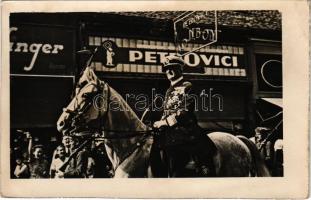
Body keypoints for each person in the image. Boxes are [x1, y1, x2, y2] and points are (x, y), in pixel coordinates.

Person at [152, 55, 217, 177]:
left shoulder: (187, 86)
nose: (168, 71)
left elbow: (185, 112)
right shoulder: (169, 90)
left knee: (199, 155)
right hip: (169, 130)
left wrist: (165, 122)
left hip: (185, 129)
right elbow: (167, 111)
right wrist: (159, 122)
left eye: (172, 68)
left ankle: (203, 171)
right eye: (166, 69)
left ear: (180, 69)